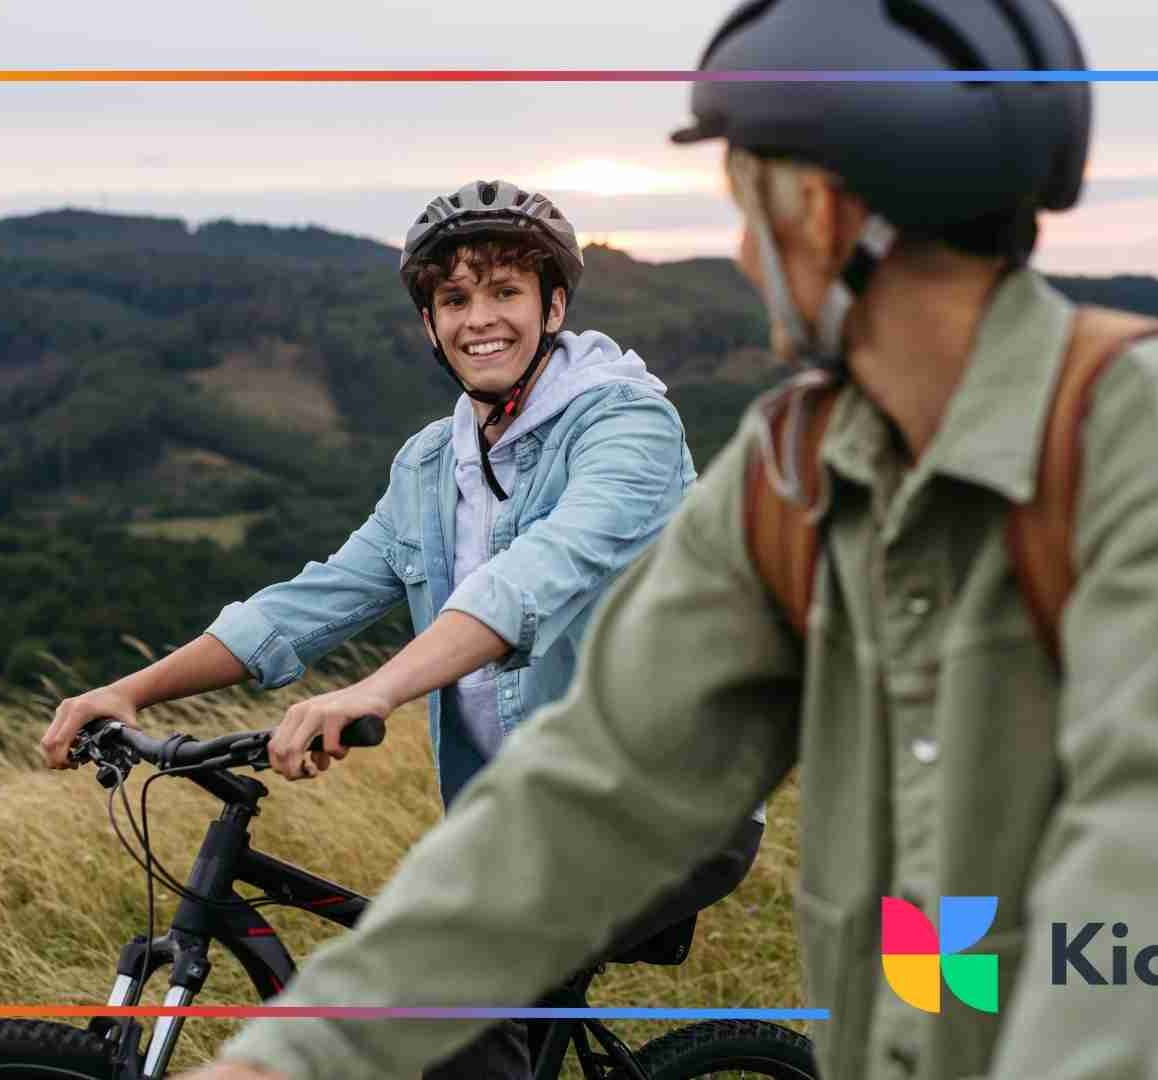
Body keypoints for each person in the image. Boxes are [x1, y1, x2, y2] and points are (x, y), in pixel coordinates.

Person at [177, 2, 1158, 1079]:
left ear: (821, 210)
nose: (738, 246)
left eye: (742, 201)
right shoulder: (792, 474)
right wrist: (301, 1050)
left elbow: (1146, 851)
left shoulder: (1149, 430)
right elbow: (591, 795)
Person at [40, 180, 765, 1079]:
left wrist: (376, 688)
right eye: (454, 299)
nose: (479, 319)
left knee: (439, 1026)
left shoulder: (628, 428)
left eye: (505, 291)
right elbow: (313, 601)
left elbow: (536, 576)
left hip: (661, 804)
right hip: (518, 818)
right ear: (429, 323)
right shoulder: (433, 463)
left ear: (554, 304)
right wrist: (133, 689)